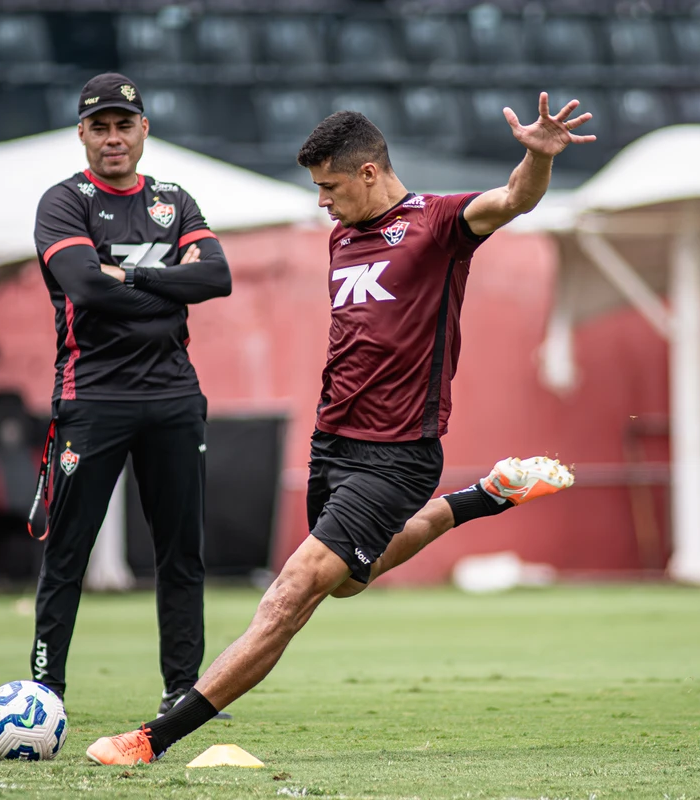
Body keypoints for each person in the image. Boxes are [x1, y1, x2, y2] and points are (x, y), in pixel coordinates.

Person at [85, 92, 594, 765]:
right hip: (332, 445)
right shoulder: (341, 236)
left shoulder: (439, 223)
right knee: (350, 580)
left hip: (398, 454)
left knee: (289, 595)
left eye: (329, 187)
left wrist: (539, 156)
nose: (321, 201)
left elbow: (513, 199)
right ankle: (486, 496)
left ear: (368, 173)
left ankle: (153, 740)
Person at [29, 72, 233, 720]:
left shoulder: (174, 199)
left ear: (144, 129)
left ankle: (183, 693)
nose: (113, 137)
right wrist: (170, 283)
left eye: (124, 124)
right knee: (68, 551)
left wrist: (133, 276)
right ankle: (44, 694)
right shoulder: (64, 202)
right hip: (92, 398)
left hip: (174, 397)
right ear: (81, 134)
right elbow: (87, 288)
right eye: (100, 127)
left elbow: (218, 278)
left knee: (182, 553)